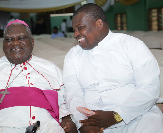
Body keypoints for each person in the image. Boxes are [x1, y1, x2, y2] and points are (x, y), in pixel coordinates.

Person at [63, 3, 163, 133]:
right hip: (94, 124)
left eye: (80, 28)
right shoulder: (72, 56)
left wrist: (117, 115)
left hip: (139, 118)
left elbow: (150, 88)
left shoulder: (132, 45)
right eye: (74, 30)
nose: (75, 34)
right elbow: (73, 94)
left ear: (99, 23)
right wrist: (82, 124)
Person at [0, 19, 77, 133]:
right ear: (3, 45)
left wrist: (67, 119)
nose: (15, 43)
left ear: (32, 42)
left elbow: (65, 101)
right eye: (9, 39)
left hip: (46, 128)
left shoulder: (51, 68)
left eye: (21, 38)